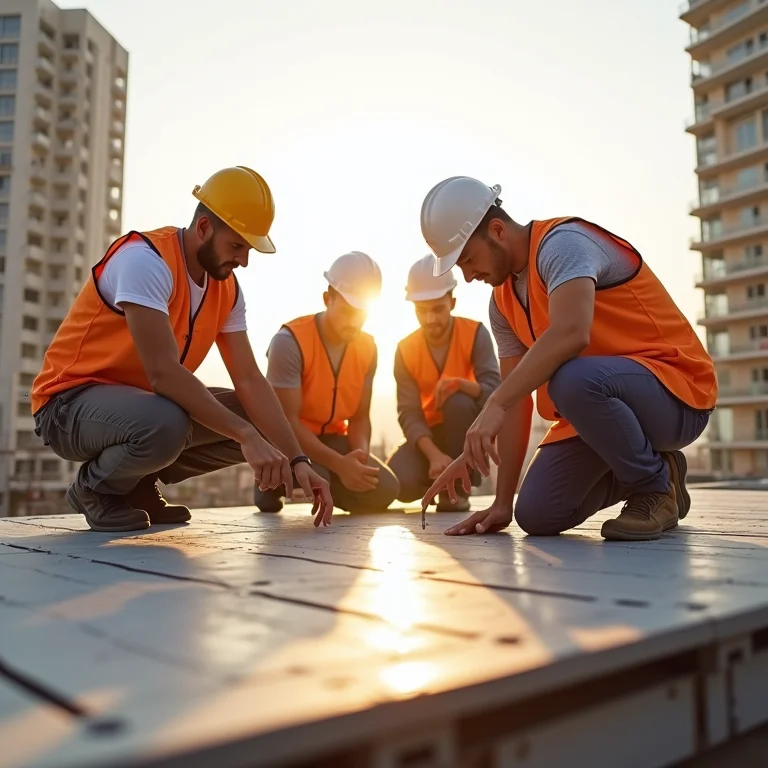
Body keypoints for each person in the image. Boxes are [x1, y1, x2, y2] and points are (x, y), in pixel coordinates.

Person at [31, 166, 333, 532]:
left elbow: (251, 380)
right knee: (169, 422)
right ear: (204, 227)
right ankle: (94, 489)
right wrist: (246, 436)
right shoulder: (145, 261)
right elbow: (164, 373)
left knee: (261, 414)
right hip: (67, 406)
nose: (244, 260)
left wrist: (298, 459)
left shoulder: (227, 288)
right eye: (236, 245)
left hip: (141, 408)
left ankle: (138, 484)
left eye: (249, 248)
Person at [418, 175, 717, 541]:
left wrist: (493, 403)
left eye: (466, 259)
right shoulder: (502, 302)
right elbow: (515, 401)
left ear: (497, 230)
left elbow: (571, 332)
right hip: (599, 408)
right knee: (537, 514)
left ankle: (653, 490)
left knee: (571, 380)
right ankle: (660, 471)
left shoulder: (563, 245)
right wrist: (501, 503)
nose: (466, 277)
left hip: (676, 393)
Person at [255, 251, 400, 513]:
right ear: (327, 299)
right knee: (321, 474)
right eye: (347, 311)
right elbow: (285, 422)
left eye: (362, 313)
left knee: (386, 488)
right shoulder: (289, 342)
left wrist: (358, 459)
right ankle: (271, 480)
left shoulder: (368, 347)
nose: (355, 321)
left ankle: (328, 482)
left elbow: (359, 417)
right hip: (289, 441)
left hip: (334, 439)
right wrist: (339, 465)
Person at [387, 255, 501, 511]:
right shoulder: (405, 349)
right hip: (428, 438)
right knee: (399, 482)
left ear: (452, 301)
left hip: (466, 431)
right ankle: (439, 477)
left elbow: (496, 392)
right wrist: (434, 456)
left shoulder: (475, 334)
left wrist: (461, 384)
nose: (429, 319)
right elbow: (409, 413)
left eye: (437, 309)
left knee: (457, 403)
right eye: (421, 310)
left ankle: (458, 491)